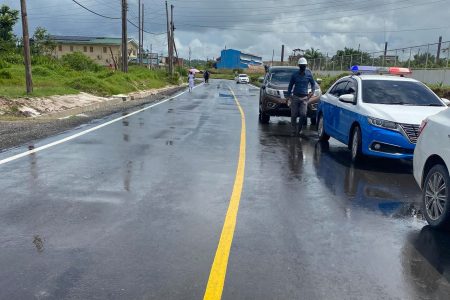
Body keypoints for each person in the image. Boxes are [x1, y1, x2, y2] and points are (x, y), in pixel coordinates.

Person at [287, 57, 315, 136]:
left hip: (304, 98)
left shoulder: (309, 75)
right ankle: (293, 131)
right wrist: (289, 96)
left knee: (303, 114)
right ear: (299, 66)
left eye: (304, 65)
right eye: (301, 65)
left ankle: (299, 129)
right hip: (295, 97)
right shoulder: (294, 75)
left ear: (306, 66)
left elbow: (313, 84)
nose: (303, 67)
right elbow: (290, 86)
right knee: (294, 115)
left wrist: (312, 92)